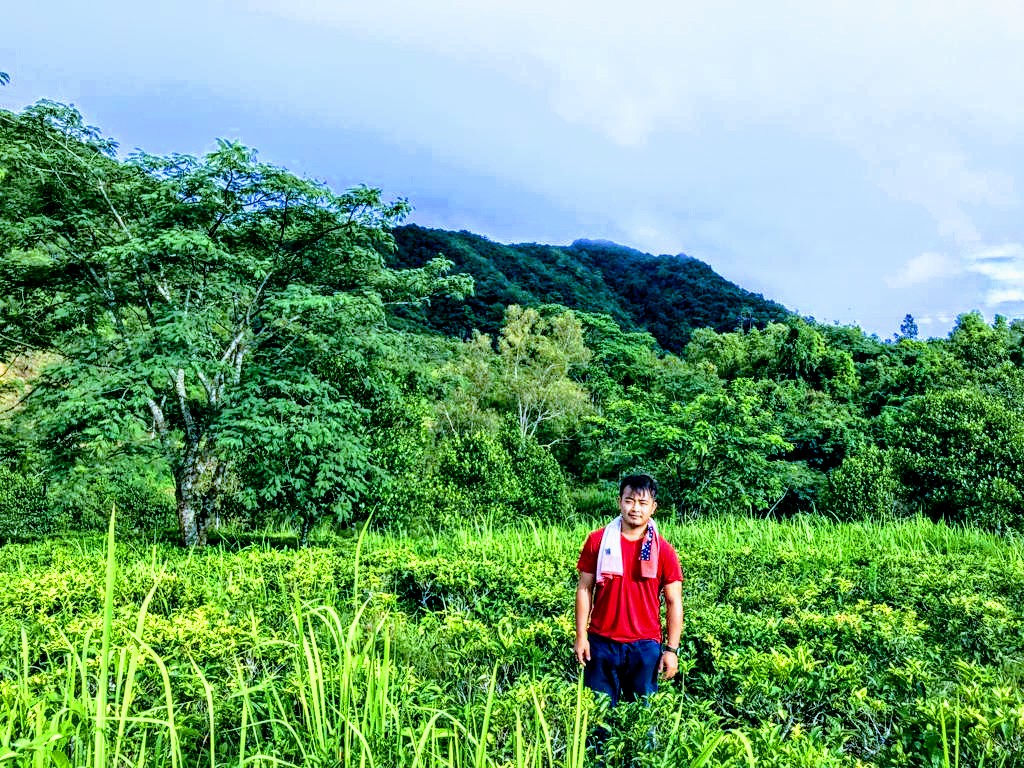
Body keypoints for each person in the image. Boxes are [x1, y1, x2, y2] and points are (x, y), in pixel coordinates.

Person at [574, 473, 683, 707]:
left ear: (653, 507)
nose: (635, 508)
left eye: (643, 503)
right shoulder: (597, 541)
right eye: (629, 501)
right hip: (601, 643)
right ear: (619, 502)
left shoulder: (664, 550)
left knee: (643, 718)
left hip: (645, 646)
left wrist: (671, 650)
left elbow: (674, 601)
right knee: (598, 716)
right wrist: (581, 636)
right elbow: (584, 588)